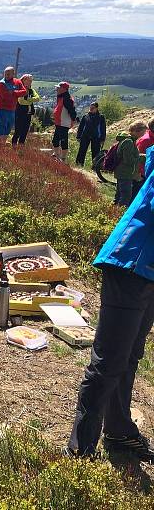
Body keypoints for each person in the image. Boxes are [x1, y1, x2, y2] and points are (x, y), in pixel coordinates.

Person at [68, 146, 154, 461]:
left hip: (147, 271)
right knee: (108, 361)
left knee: (130, 355)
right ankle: (80, 449)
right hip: (130, 265)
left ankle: (118, 431)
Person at [113, 121, 147, 207]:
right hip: (125, 173)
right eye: (143, 132)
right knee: (125, 196)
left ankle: (112, 211)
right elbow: (128, 160)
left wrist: (140, 155)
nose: (144, 134)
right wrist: (142, 158)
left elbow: (130, 156)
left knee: (119, 195)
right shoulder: (128, 142)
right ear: (137, 131)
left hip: (123, 172)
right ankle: (120, 214)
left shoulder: (130, 140)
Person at [0, 66, 27, 147]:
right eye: (5, 73)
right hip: (1, 110)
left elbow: (24, 92)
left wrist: (13, 92)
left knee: (8, 128)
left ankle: (3, 143)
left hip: (12, 110)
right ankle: (0, 145)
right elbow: (5, 96)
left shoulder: (18, 82)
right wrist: (15, 94)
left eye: (8, 74)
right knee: (1, 128)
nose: (6, 75)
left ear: (13, 74)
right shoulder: (1, 83)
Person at [12, 74, 40, 148]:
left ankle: (21, 148)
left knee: (24, 132)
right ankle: (14, 148)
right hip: (19, 113)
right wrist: (31, 100)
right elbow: (21, 101)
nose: (30, 82)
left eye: (31, 81)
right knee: (17, 131)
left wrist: (28, 99)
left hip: (28, 114)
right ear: (23, 80)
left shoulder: (31, 90)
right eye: (29, 80)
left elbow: (37, 98)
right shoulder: (19, 89)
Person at [75, 102, 106, 167]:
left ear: (97, 108)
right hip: (85, 136)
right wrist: (78, 136)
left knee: (96, 152)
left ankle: (95, 166)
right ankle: (79, 164)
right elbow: (81, 127)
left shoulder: (101, 117)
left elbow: (103, 128)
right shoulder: (85, 116)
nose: (91, 109)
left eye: (93, 108)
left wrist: (103, 139)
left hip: (96, 137)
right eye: (90, 108)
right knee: (82, 150)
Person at [52, 81, 76, 162]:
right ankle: (57, 156)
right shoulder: (61, 97)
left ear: (63, 89)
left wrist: (73, 121)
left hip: (64, 123)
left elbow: (72, 111)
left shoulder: (67, 99)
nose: (56, 89)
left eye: (58, 88)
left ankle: (62, 159)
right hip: (59, 123)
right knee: (55, 140)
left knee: (63, 141)